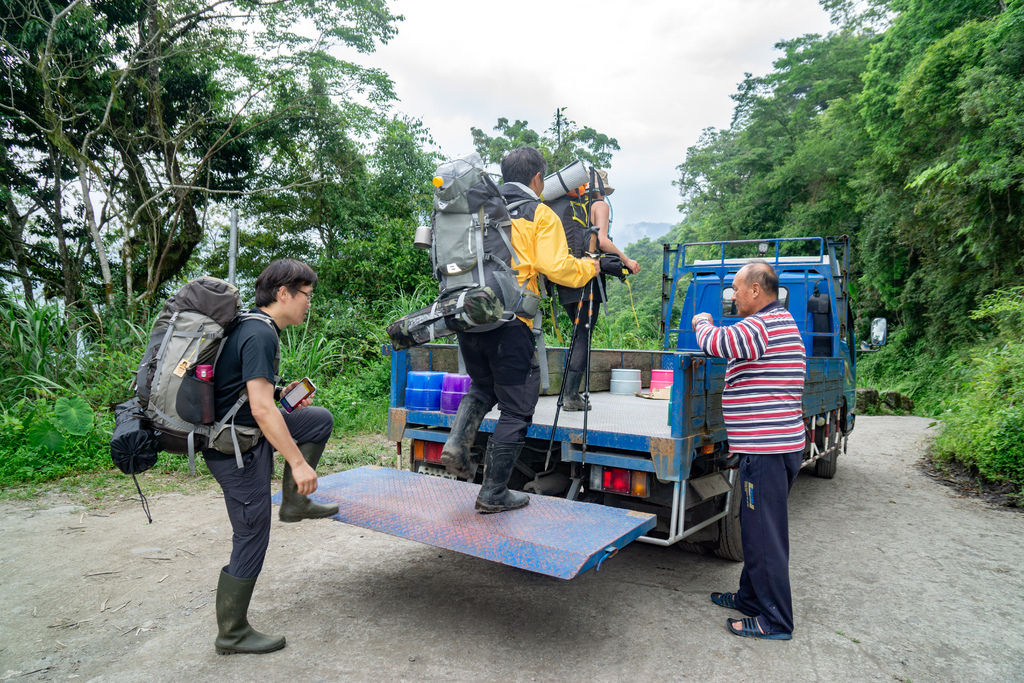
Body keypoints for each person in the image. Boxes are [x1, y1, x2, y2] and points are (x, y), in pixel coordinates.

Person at [440, 146, 598, 512]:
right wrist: (591, 266)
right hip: (510, 323)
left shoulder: (479, 208)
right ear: (538, 179)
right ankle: (493, 492)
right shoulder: (538, 212)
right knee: (516, 408)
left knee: (483, 386)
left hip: (469, 315)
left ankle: (457, 444)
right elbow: (557, 268)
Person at [204, 258, 337, 655]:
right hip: (234, 449)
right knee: (251, 533)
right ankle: (232, 632)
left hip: (247, 432)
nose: (309, 304)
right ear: (283, 294)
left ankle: (295, 505)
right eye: (307, 296)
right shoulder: (260, 334)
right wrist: (297, 463)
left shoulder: (254, 326)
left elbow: (251, 392)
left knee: (316, 419)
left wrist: (283, 392)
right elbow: (261, 411)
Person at [691, 261, 806, 641]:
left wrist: (701, 322)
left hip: (768, 449)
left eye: (737, 288)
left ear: (756, 290)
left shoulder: (763, 325)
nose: (733, 295)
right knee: (755, 528)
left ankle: (775, 622)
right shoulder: (776, 322)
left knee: (764, 535)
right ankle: (750, 599)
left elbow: (717, 343)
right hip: (770, 446)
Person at [554, 168, 640, 411]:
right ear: (601, 189)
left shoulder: (572, 206)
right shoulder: (599, 205)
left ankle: (568, 393)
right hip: (587, 276)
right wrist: (626, 260)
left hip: (565, 274)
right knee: (584, 334)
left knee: (578, 332)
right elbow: (601, 240)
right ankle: (571, 396)